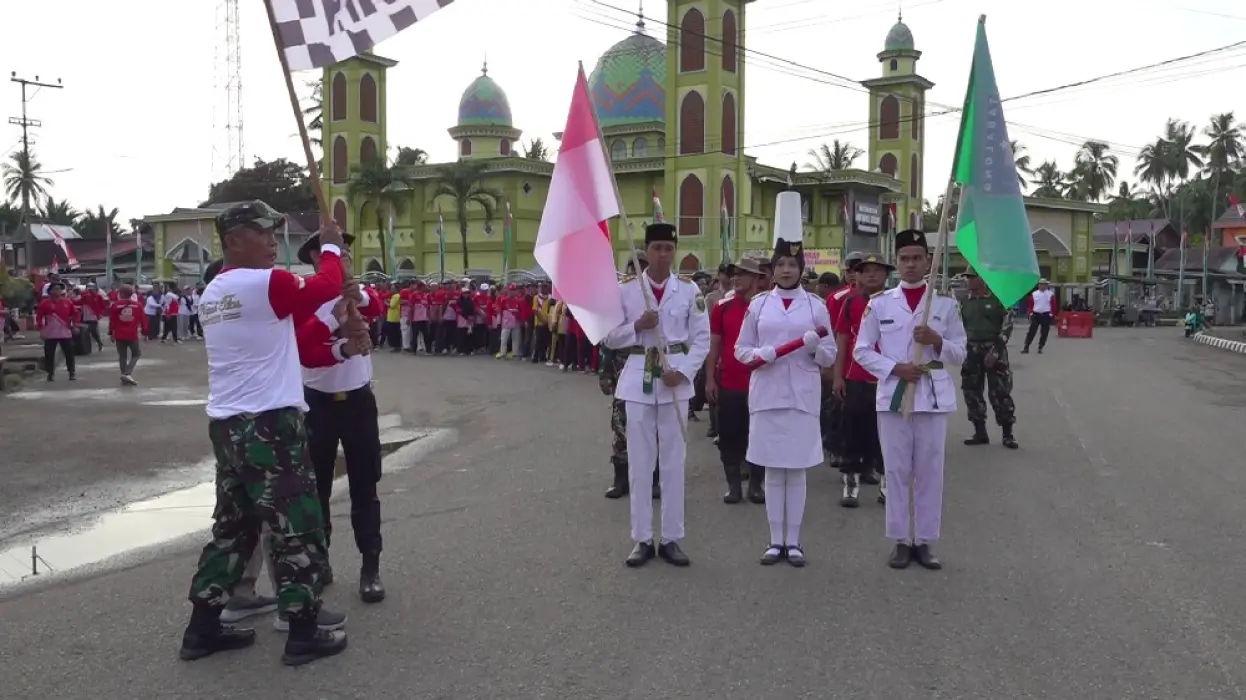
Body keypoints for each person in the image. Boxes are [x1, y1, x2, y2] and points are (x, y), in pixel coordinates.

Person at [180, 201, 349, 667]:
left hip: (229, 426)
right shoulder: (266, 283)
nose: (274, 239)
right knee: (296, 525)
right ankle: (302, 629)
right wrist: (331, 243)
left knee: (233, 529)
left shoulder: (215, 291)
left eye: (275, 231)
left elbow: (291, 327)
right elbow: (328, 284)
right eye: (263, 231)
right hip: (270, 424)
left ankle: (203, 626)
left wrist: (337, 326)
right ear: (234, 240)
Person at [853, 229, 966, 571]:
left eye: (918, 257)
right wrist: (894, 368)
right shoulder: (879, 304)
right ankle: (901, 540)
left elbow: (961, 353)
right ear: (897, 263)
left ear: (928, 261)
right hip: (894, 395)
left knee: (930, 472)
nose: (911, 264)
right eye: (905, 258)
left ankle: (926, 541)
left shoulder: (945, 303)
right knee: (897, 471)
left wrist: (937, 341)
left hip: (932, 395)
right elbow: (861, 351)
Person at [734, 204, 836, 567]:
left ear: (801, 269)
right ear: (772, 270)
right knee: (773, 470)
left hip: (802, 396)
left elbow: (829, 355)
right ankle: (774, 540)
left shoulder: (816, 306)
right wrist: (762, 352)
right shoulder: (759, 306)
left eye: (792, 265)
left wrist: (814, 349)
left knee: (796, 470)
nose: (787, 270)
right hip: (767, 394)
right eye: (780, 265)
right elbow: (740, 350)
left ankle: (795, 541)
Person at [603, 223, 710, 567]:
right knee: (640, 463)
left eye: (669, 247)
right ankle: (642, 538)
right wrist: (637, 326)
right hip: (637, 379)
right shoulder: (627, 292)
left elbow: (702, 339)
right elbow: (609, 338)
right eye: (657, 247)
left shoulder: (688, 289)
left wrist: (685, 371)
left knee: (673, 463)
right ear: (645, 251)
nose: (663, 254)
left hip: (674, 379)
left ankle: (672, 537)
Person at [295, 232, 387, 604]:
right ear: (318, 258)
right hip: (317, 402)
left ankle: (370, 566)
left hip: (358, 403)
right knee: (315, 489)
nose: (345, 255)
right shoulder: (304, 296)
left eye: (346, 251)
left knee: (366, 486)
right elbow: (305, 350)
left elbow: (376, 306)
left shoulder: (356, 291)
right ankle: (320, 561)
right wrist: (343, 346)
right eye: (337, 251)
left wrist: (356, 294)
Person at [706, 254, 769, 505]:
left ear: (756, 279)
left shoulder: (766, 307)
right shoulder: (723, 307)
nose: (736, 278)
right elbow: (714, 346)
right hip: (730, 382)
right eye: (734, 274)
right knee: (730, 436)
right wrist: (710, 379)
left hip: (761, 384)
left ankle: (756, 485)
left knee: (758, 436)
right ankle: (733, 487)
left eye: (742, 274)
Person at [600, 250, 661, 501]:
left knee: (653, 425)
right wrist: (604, 373)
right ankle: (620, 479)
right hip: (622, 372)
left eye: (642, 267)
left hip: (652, 367)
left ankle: (654, 479)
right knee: (621, 425)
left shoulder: (657, 295)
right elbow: (607, 341)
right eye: (632, 267)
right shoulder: (620, 297)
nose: (636, 272)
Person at [832, 253, 891, 507]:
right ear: (857, 275)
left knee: (887, 435)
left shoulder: (895, 303)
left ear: (886, 275)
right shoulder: (851, 303)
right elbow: (843, 340)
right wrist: (837, 377)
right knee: (853, 432)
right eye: (865, 270)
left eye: (877, 270)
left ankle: (886, 485)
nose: (871, 275)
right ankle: (850, 485)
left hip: (888, 378)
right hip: (856, 377)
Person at [960, 268, 1019, 449]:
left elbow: (1007, 325)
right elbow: (958, 327)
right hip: (971, 350)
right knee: (971, 391)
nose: (968, 281)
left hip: (994, 349)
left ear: (983, 280)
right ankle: (980, 432)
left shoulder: (997, 300)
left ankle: (1007, 434)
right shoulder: (964, 302)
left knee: (1000, 392)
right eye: (967, 278)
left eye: (972, 277)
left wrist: (997, 349)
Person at [36, 281, 78, 382]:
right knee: (49, 354)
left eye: (59, 289)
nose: (57, 291)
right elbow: (39, 317)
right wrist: (41, 329)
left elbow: (75, 314)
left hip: (65, 332)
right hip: (50, 333)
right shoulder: (45, 303)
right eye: (55, 289)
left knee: (69, 353)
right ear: (50, 291)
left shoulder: (67, 302)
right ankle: (50, 373)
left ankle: (71, 372)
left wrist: (75, 326)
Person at [108, 284, 148, 385]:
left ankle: (124, 375)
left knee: (122, 356)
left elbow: (112, 321)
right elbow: (143, 320)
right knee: (136, 354)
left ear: (121, 294)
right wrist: (145, 332)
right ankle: (127, 373)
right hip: (132, 335)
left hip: (119, 335)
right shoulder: (138, 305)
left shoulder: (115, 305)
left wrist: (111, 333)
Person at [1021, 278, 1054, 354]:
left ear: (1046, 286)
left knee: (1044, 332)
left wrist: (1051, 314)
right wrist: (1030, 313)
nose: (1042, 286)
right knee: (1032, 331)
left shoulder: (1050, 294)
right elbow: (1030, 304)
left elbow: (1053, 305)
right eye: (1041, 284)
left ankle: (1040, 347)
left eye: (1044, 284)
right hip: (1036, 314)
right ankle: (1026, 346)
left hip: (1046, 314)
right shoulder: (1034, 294)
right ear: (1039, 285)